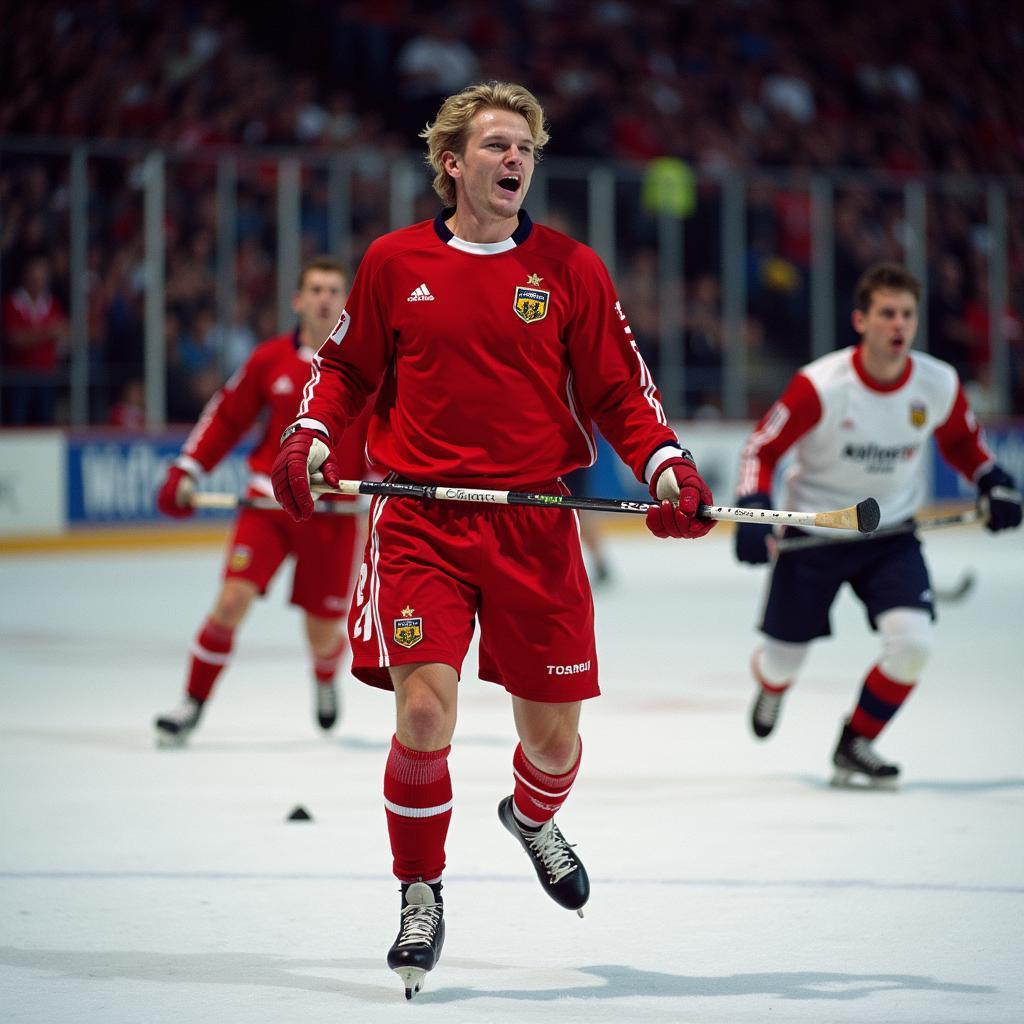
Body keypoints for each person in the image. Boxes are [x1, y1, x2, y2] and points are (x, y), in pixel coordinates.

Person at [269, 81, 716, 999]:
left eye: (527, 148)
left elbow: (621, 393)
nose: (516, 161)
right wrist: (308, 435)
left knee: (553, 745)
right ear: (452, 164)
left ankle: (529, 813)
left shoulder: (570, 268)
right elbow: (345, 368)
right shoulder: (394, 262)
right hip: (419, 518)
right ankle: (421, 893)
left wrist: (666, 466)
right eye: (498, 146)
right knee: (424, 715)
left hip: (535, 523)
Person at [734, 262, 1021, 787]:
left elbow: (963, 443)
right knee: (780, 663)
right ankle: (773, 688)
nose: (899, 325)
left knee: (913, 645)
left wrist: (991, 479)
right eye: (887, 313)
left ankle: (856, 742)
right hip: (814, 534)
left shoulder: (937, 383)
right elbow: (762, 447)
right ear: (861, 320)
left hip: (890, 537)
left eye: (907, 315)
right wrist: (753, 507)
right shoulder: (821, 385)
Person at [153, 257, 370, 746]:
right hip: (266, 509)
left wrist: (382, 482)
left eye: (335, 290)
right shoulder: (268, 360)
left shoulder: (364, 369)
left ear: (346, 302)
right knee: (231, 601)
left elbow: (388, 433)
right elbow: (227, 417)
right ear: (297, 300)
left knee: (322, 633)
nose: (324, 299)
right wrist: (187, 468)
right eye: (314, 289)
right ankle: (191, 703)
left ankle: (323, 675)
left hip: (333, 514)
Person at [1, 255, 68, 425]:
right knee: (17, 422)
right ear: (25, 277)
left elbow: (62, 333)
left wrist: (32, 335)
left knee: (44, 422)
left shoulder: (52, 303)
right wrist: (47, 333)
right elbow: (15, 339)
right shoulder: (12, 302)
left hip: (45, 376)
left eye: (41, 278)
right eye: (34, 278)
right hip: (18, 376)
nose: (38, 282)